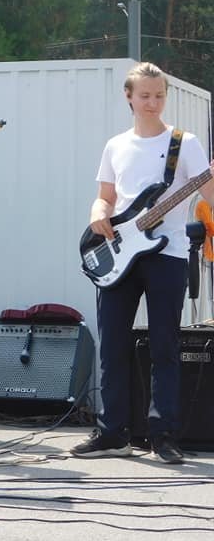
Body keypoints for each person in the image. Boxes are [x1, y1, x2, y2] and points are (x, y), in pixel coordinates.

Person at [71, 62, 214, 464]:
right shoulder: (116, 145)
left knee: (164, 346)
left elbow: (208, 195)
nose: (152, 103)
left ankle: (162, 433)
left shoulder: (185, 143)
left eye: (159, 96)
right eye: (145, 95)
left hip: (164, 255)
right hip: (118, 252)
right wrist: (97, 213)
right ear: (129, 97)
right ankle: (111, 431)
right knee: (113, 343)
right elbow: (105, 196)